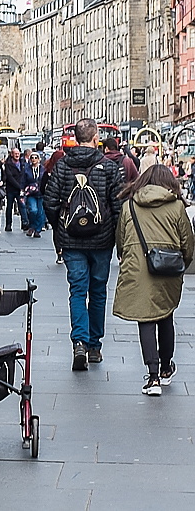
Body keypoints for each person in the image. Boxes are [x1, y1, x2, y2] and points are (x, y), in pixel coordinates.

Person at [43, 118, 123, 371]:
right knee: (98, 291)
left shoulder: (63, 165)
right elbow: (119, 205)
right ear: (96, 137)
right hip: (101, 240)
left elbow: (50, 201)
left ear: (76, 138)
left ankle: (79, 341)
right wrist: (116, 234)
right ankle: (94, 346)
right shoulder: (109, 168)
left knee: (77, 290)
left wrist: (60, 226)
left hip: (72, 240)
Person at [112, 165, 194, 396]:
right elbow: (188, 242)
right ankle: (167, 368)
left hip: (138, 268)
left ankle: (153, 376)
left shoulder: (130, 206)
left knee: (145, 319)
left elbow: (121, 239)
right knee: (165, 315)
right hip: (168, 270)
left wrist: (125, 256)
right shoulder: (177, 207)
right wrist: (182, 264)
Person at [42, 149, 65, 262]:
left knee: (56, 229)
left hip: (52, 205)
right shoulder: (65, 170)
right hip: (64, 204)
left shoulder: (48, 171)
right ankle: (63, 250)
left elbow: (42, 188)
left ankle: (59, 252)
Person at [20, 151, 45, 238]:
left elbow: (46, 180)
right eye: (32, 158)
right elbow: (23, 181)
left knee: (40, 212)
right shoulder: (27, 169)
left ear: (39, 159)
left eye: (35, 158)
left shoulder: (43, 169)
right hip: (31, 193)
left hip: (41, 193)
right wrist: (22, 191)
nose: (34, 159)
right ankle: (32, 226)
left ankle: (38, 230)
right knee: (33, 210)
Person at [3, 147, 27, 232]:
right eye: (15, 153)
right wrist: (19, 186)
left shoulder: (23, 162)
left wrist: (23, 187)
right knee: (9, 207)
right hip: (11, 189)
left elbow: (24, 174)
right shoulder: (8, 164)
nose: (17, 155)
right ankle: (8, 224)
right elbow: (9, 177)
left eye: (18, 153)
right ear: (12, 154)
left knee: (22, 206)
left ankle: (24, 223)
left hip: (20, 189)